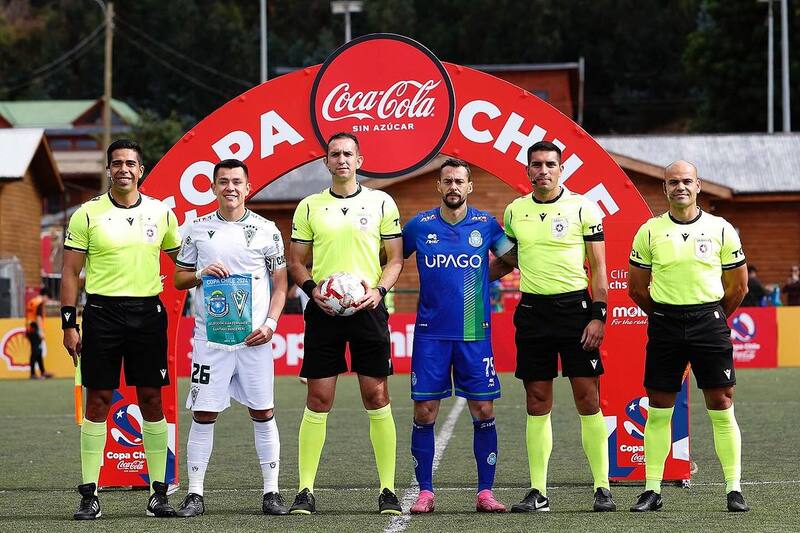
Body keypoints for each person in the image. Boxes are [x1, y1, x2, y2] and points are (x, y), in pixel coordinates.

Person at [491, 140, 615, 513]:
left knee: (587, 399)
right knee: (536, 401)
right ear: (527, 170)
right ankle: (538, 491)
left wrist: (598, 315)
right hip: (532, 313)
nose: (543, 170)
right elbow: (510, 259)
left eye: (549, 164)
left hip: (576, 312)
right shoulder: (515, 211)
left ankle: (602, 487)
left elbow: (600, 269)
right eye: (536, 165)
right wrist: (470, 276)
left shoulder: (583, 207)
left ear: (561, 169)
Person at [61, 139, 182, 520]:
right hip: (102, 313)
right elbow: (69, 272)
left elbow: (182, 267)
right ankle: (89, 495)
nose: (124, 169)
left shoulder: (162, 213)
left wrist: (213, 274)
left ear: (141, 169)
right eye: (117, 164)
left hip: (148, 314)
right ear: (108, 169)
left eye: (131, 163)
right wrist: (68, 323)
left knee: (151, 399)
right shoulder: (87, 214)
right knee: (98, 400)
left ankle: (159, 494)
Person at [287, 132, 403, 515]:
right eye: (334, 154)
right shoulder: (309, 206)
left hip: (368, 309)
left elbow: (395, 259)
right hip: (324, 312)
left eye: (347, 154)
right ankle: (305, 490)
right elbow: (297, 260)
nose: (341, 160)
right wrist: (310, 288)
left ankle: (387, 489)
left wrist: (380, 292)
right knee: (318, 398)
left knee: (377, 396)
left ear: (359, 159)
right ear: (326, 161)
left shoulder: (381, 201)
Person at [628, 160, 749, 513]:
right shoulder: (649, 231)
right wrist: (665, 316)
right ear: (664, 189)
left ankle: (733, 489)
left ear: (698, 186)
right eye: (672, 182)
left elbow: (738, 286)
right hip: (665, 323)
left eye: (686, 181)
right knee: (659, 410)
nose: (679, 187)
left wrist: (712, 318)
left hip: (709, 321)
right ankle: (652, 490)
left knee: (722, 405)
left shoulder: (721, 229)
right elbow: (637, 289)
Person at [173, 159, 289, 517]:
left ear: (248, 187)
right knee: (204, 413)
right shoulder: (195, 228)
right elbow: (179, 279)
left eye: (237, 181)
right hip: (211, 341)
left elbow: (282, 283)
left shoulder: (267, 229)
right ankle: (195, 494)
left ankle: (271, 493)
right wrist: (200, 274)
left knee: (264, 411)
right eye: (223, 181)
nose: (230, 188)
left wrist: (270, 324)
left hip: (254, 341)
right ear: (212, 187)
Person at [402, 158, 514, 513]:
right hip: (430, 333)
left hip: (472, 329)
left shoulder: (486, 224)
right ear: (439, 186)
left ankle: (485, 492)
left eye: (459, 181)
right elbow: (388, 258)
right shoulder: (419, 226)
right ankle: (425, 492)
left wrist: (480, 279)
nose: (453, 187)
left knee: (483, 408)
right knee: (425, 411)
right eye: (447, 181)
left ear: (469, 187)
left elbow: (511, 259)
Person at [26, 288, 52, 379]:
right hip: (35, 330)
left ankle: (42, 371)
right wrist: (40, 332)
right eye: (48, 298)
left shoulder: (32, 301)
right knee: (35, 352)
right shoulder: (39, 303)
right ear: (45, 295)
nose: (47, 301)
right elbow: (39, 318)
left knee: (38, 352)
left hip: (29, 329)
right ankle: (33, 373)